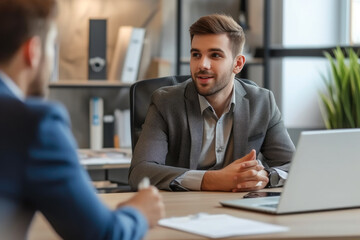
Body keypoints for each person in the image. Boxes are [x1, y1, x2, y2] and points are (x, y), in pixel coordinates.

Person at [0, 0, 164, 239]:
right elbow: (104, 234)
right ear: (33, 52)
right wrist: (139, 211)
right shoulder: (34, 123)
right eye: (51, 47)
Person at [129, 14, 295, 192]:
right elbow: (140, 172)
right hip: (183, 209)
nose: (202, 65)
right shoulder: (166, 102)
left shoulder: (262, 102)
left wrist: (264, 178)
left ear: (237, 64)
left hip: (239, 208)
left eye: (215, 55)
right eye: (196, 55)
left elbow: (293, 165)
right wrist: (213, 180)